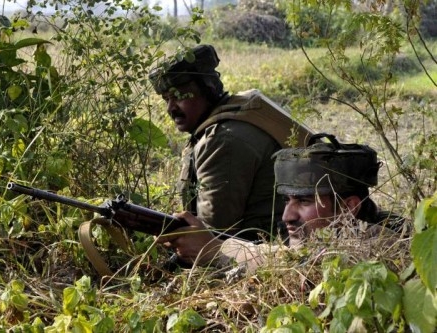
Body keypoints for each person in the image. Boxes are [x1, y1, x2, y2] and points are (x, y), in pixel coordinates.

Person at [156, 133, 405, 273]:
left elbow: (305, 265)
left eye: (304, 201)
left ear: (349, 207)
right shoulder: (329, 238)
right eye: (287, 200)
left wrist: (215, 250)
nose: (287, 216)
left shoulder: (382, 245)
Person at [149, 44, 313, 241]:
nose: (170, 108)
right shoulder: (236, 112)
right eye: (166, 99)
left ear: (207, 90)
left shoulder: (223, 139)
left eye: (178, 96)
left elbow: (213, 233)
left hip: (267, 249)